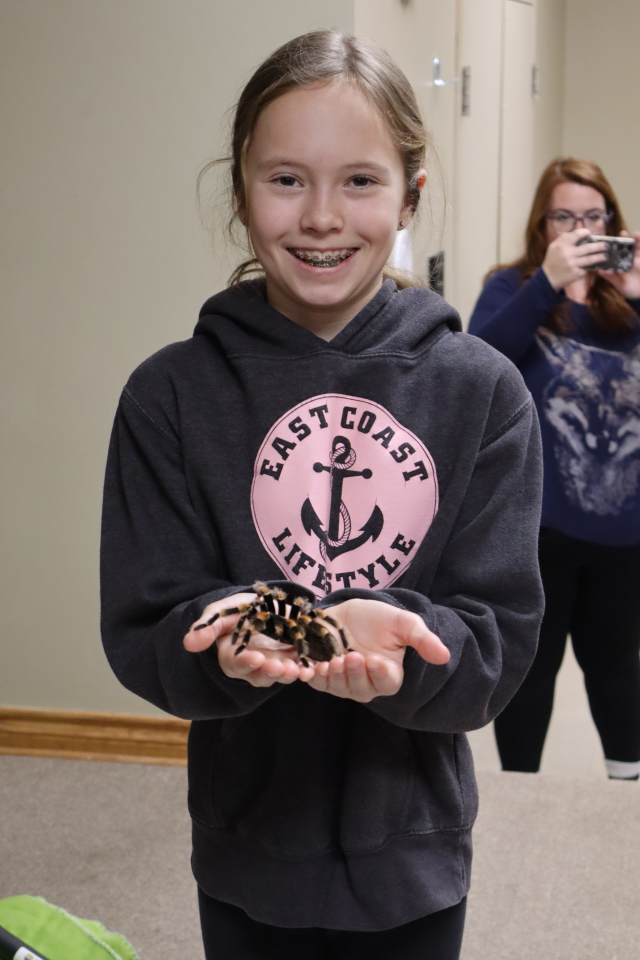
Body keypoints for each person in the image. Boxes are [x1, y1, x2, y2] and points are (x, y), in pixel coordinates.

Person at [100, 30, 543, 960]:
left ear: (411, 195)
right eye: (287, 179)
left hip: (415, 853)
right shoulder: (168, 396)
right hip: (246, 845)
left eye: (362, 182)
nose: (321, 218)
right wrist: (231, 639)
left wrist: (410, 650)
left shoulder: (485, 392)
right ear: (240, 191)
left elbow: (497, 644)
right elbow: (148, 622)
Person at [468, 157, 640, 782]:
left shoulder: (630, 297)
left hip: (624, 530)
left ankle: (628, 790)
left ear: (613, 224)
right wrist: (546, 284)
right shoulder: (512, 288)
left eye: (594, 216)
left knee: (618, 665)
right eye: (565, 216)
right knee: (530, 668)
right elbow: (479, 364)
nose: (580, 228)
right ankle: (521, 795)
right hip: (537, 526)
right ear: (543, 224)